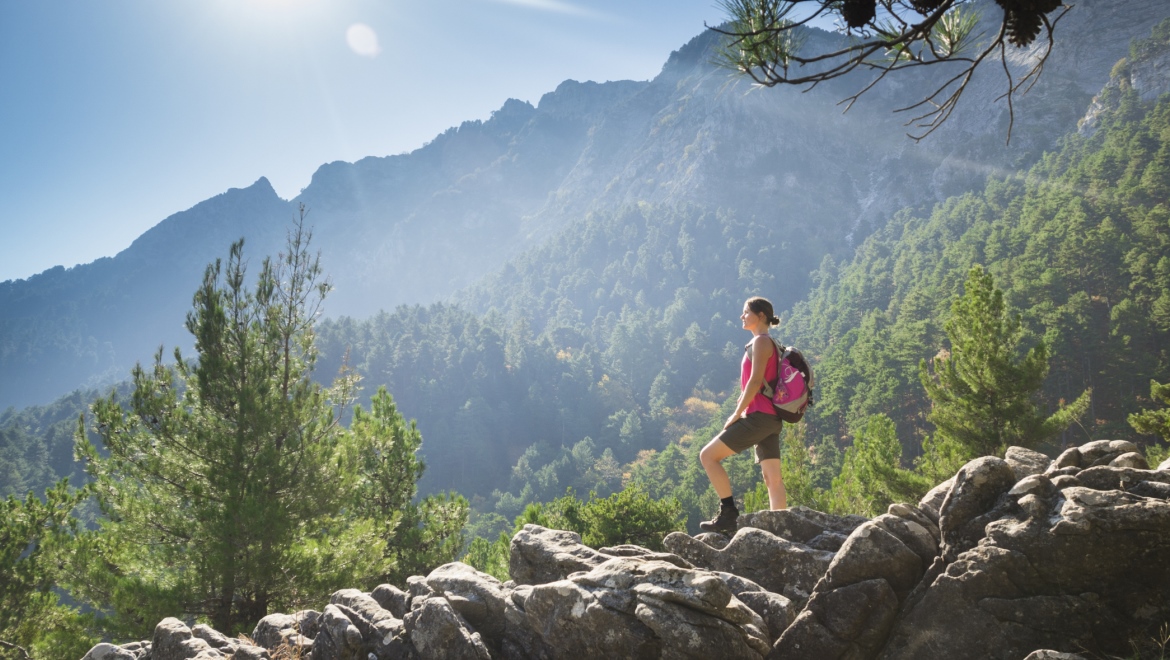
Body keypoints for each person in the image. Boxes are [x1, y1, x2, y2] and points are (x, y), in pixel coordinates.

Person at [698, 296, 790, 535]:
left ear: (760, 316)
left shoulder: (761, 342)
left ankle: (728, 513)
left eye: (746, 312)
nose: (742, 316)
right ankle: (779, 528)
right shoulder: (771, 343)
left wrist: (737, 413)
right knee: (773, 479)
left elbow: (755, 381)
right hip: (772, 419)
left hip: (758, 417)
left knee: (708, 456)